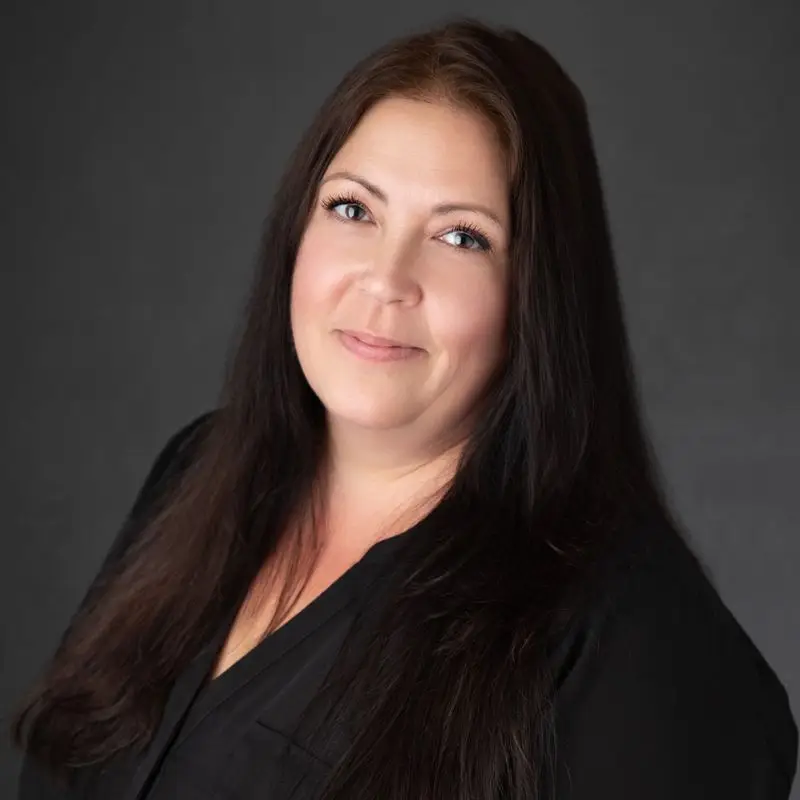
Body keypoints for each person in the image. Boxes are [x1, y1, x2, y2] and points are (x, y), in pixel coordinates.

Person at [10, 15, 798, 800]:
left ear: (540, 297)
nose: (387, 278)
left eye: (462, 238)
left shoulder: (633, 642)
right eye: (354, 210)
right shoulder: (195, 473)